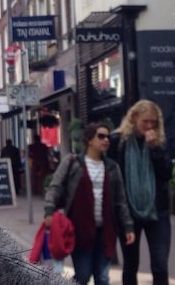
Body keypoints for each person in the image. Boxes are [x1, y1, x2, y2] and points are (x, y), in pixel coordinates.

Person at [45, 122, 135, 285]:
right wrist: (49, 209)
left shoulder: (112, 167)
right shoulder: (73, 163)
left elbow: (121, 200)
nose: (106, 140)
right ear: (89, 140)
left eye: (107, 136)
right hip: (80, 231)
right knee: (84, 275)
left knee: (102, 278)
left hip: (106, 231)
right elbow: (56, 186)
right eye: (101, 136)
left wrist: (128, 226)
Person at [109, 100, 173, 285]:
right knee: (131, 263)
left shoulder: (159, 143)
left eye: (153, 122)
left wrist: (155, 150)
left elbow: (166, 174)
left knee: (160, 264)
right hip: (129, 212)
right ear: (134, 118)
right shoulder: (118, 142)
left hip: (157, 210)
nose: (149, 126)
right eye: (145, 121)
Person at [28, 129, 53, 196]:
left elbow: (29, 154)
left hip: (35, 161)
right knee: (43, 176)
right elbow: (47, 153)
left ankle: (35, 190)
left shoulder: (31, 146)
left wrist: (32, 157)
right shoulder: (43, 146)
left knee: (34, 176)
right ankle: (41, 189)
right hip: (42, 161)